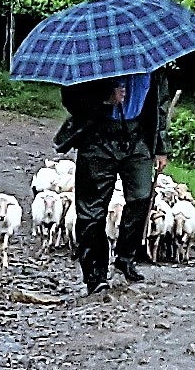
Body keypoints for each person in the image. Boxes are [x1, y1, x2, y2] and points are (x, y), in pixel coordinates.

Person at [56, 70, 170, 294]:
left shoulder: (152, 65)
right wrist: (104, 98)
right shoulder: (93, 58)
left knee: (141, 197)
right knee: (91, 211)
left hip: (137, 136)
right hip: (97, 136)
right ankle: (95, 274)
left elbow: (160, 106)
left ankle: (126, 257)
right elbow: (70, 98)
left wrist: (161, 147)